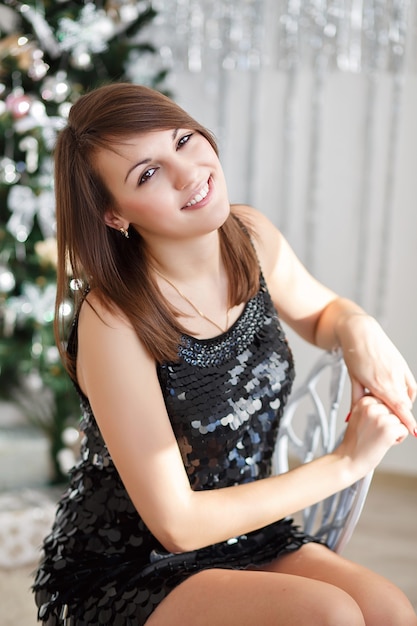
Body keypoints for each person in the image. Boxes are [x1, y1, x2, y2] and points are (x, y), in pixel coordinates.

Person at [33, 82, 417, 626]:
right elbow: (178, 525)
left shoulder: (249, 237)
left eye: (184, 140)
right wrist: (347, 463)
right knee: (328, 615)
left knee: (391, 612)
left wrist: (359, 325)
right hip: (130, 565)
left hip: (249, 532)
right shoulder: (113, 319)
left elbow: (321, 312)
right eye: (147, 173)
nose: (189, 173)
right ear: (114, 215)